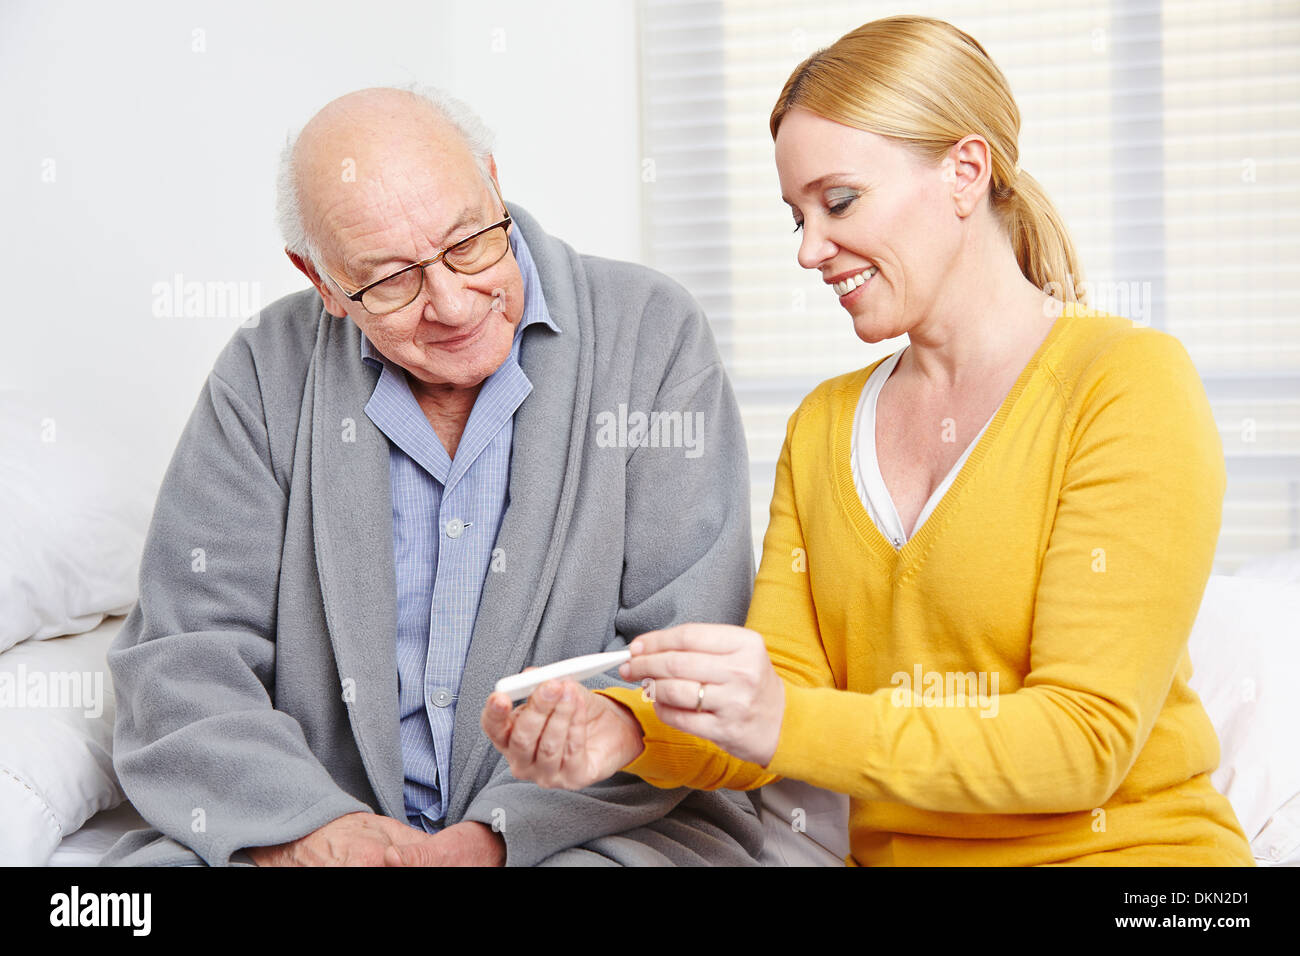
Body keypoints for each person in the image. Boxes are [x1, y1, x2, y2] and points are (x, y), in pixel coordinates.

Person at [481, 16, 1256, 866]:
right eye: (796, 216)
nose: (811, 249)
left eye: (839, 201)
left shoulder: (1126, 382)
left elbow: (1082, 742)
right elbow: (779, 697)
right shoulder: (825, 425)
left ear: (966, 171)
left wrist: (780, 717)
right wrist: (623, 731)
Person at [102, 85, 764, 866]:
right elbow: (185, 658)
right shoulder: (262, 370)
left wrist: (490, 841)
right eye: (391, 281)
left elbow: (685, 651)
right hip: (324, 828)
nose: (452, 304)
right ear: (319, 280)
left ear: (493, 181)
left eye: (470, 243)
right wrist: (311, 832)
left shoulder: (653, 332)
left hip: (594, 833)